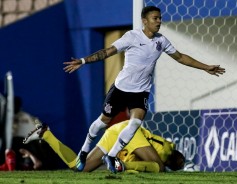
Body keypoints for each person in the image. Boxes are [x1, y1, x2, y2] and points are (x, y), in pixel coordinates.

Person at [63, 6, 225, 173]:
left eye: (160, 18)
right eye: (155, 18)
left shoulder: (161, 41)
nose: (159, 21)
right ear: (145, 21)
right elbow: (107, 52)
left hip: (141, 91)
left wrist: (206, 67)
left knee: (135, 123)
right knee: (102, 122)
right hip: (121, 88)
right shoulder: (132, 37)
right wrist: (83, 61)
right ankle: (84, 150)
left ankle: (111, 156)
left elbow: (181, 57)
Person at [23, 120, 185, 172]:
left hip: (115, 131)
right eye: (179, 163)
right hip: (129, 131)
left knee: (79, 167)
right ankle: (119, 165)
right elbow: (159, 165)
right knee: (158, 168)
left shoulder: (150, 152)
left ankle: (46, 135)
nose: (180, 165)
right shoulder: (166, 149)